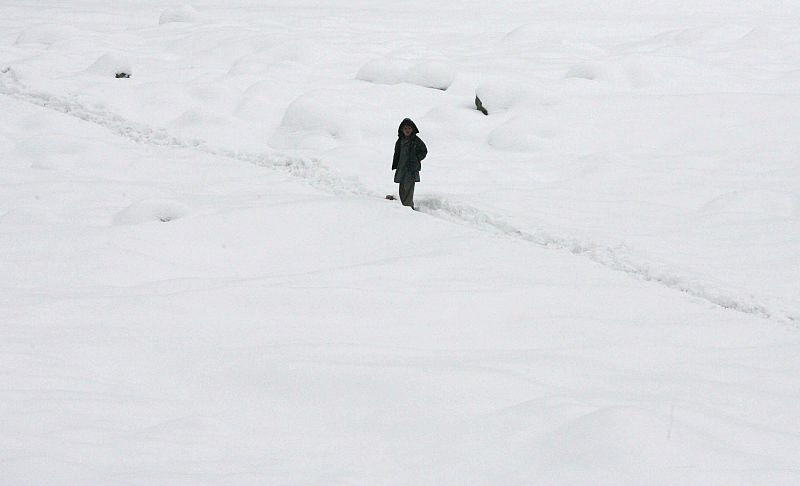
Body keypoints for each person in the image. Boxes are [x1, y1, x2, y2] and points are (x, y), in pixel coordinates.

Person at [392, 118, 427, 210]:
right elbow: (397, 153)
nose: (407, 130)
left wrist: (416, 158)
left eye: (409, 128)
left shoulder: (416, 140)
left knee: (408, 188)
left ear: (413, 129)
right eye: (405, 128)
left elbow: (424, 151)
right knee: (402, 188)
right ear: (402, 130)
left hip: (411, 169)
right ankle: (405, 206)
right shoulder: (400, 140)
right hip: (401, 167)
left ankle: (408, 208)